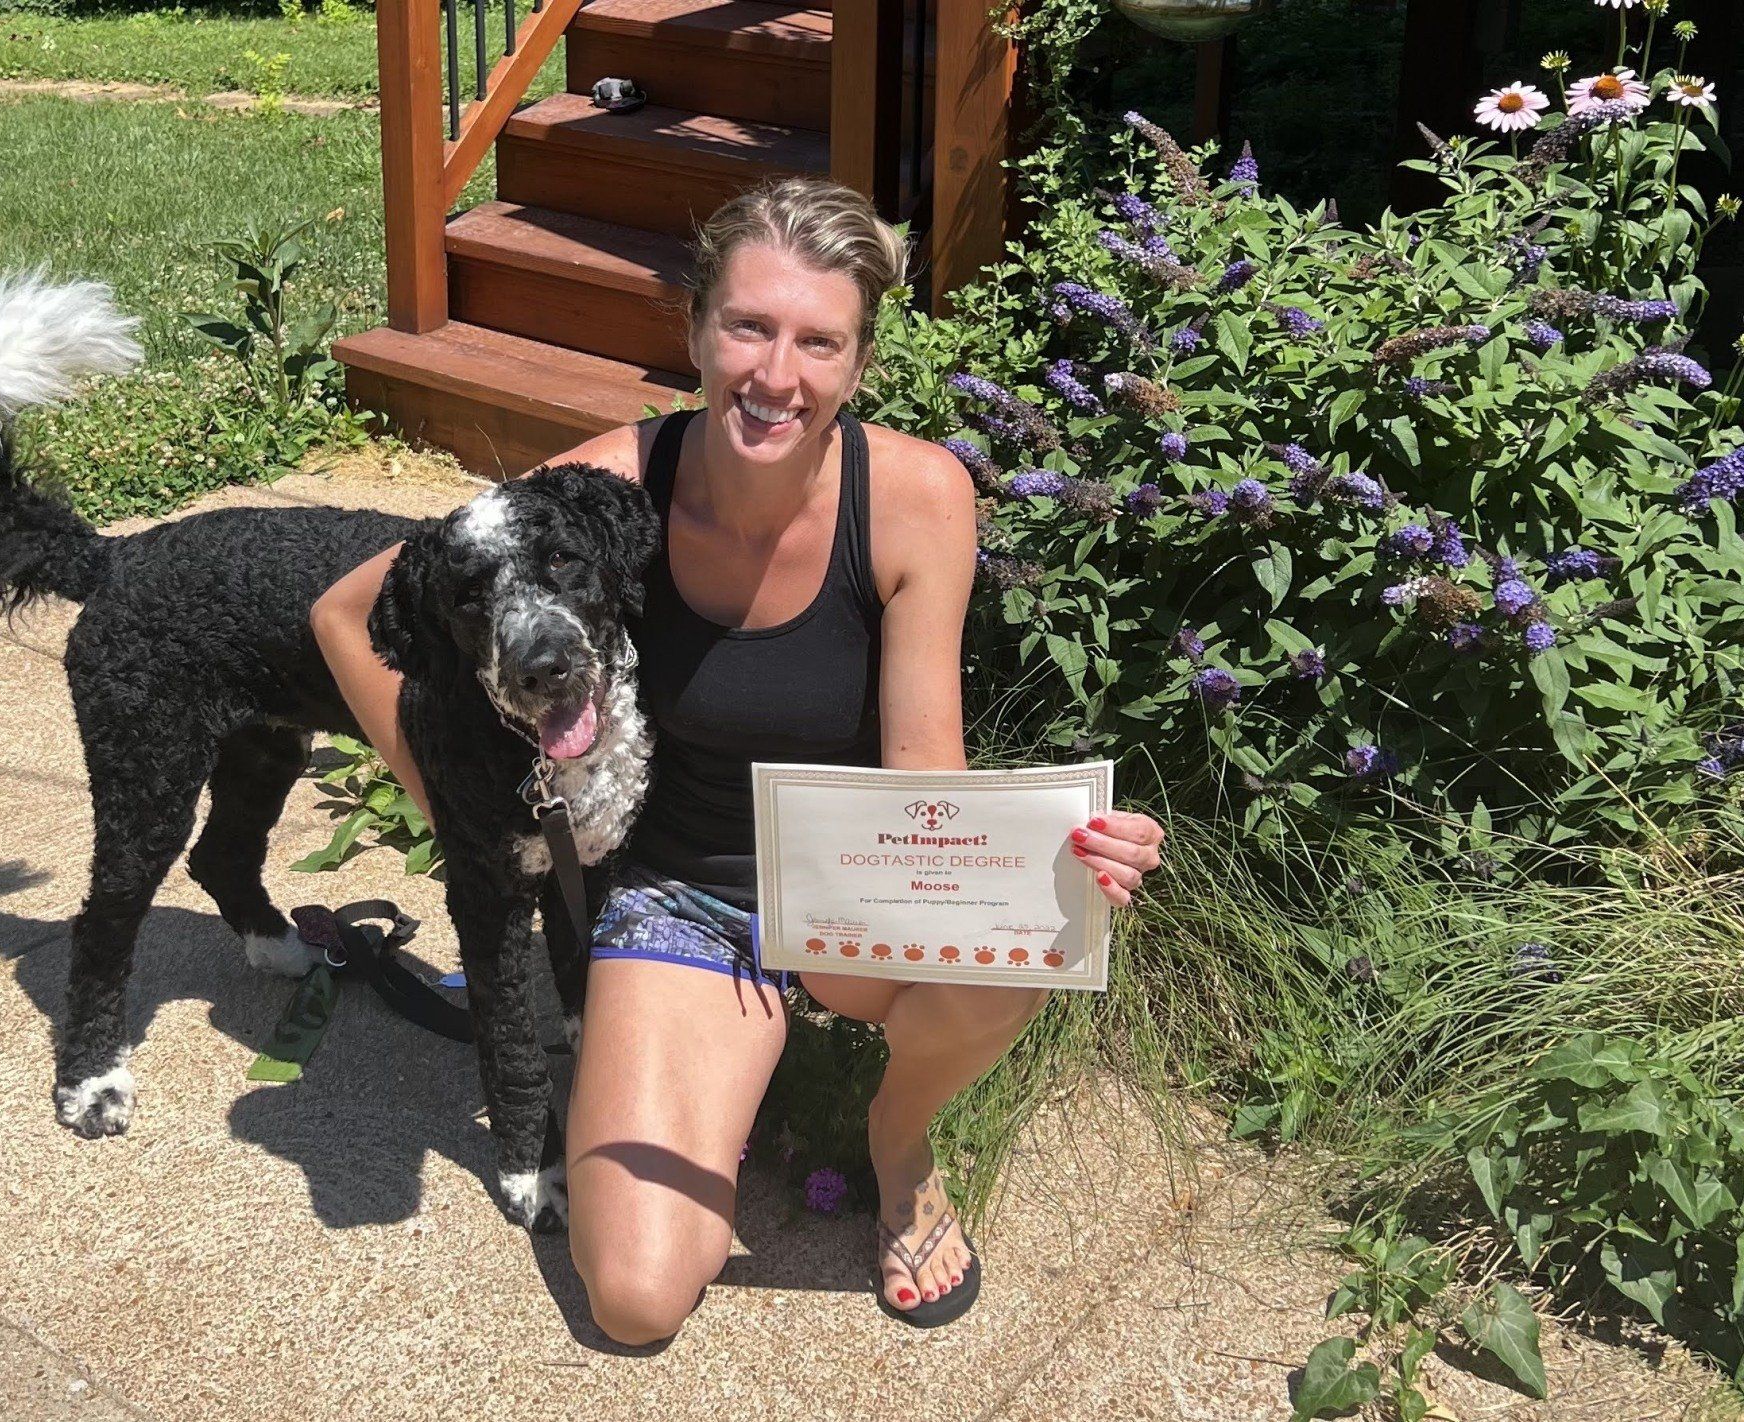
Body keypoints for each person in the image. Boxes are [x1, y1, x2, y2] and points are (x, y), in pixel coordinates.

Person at [310, 177, 1165, 1341]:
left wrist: (1052, 862)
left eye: (820, 341)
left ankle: (899, 1146)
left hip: (852, 889)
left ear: (859, 362)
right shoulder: (616, 479)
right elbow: (352, 610)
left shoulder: (917, 496)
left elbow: (926, 772)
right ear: (699, 328)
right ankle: (715, 1059)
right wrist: (448, 799)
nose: (777, 375)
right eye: (749, 327)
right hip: (680, 898)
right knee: (635, 1297)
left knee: (1032, 937)